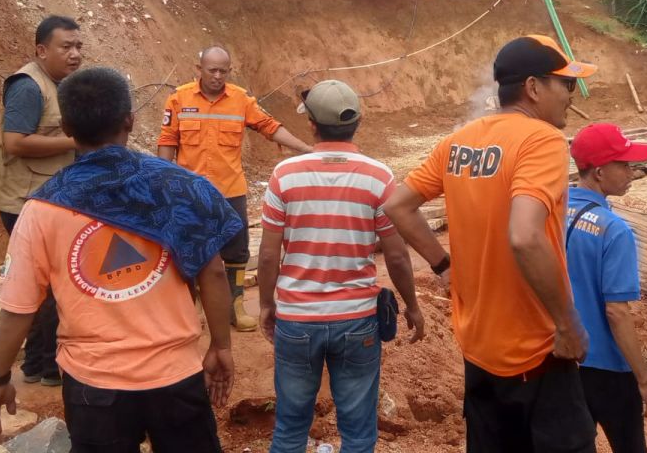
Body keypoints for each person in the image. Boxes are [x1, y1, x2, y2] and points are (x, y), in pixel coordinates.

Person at [0, 67, 242, 451]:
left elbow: (18, 308)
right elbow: (214, 272)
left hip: (93, 386)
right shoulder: (180, 186)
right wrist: (221, 346)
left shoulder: (41, 208)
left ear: (67, 128)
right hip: (175, 374)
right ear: (130, 120)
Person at [384, 35, 599, 453]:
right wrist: (567, 323)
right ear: (534, 88)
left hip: (479, 350)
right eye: (567, 85)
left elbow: (398, 205)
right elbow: (524, 236)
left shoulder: (459, 142)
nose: (572, 97)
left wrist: (444, 267)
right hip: (536, 353)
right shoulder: (543, 141)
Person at [257, 80, 424, 453]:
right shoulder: (378, 176)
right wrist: (411, 306)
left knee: (290, 427)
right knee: (358, 430)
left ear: (312, 125)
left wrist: (268, 304)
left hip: (297, 320)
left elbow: (268, 256)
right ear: (357, 122)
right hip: (357, 321)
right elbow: (396, 255)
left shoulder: (285, 175)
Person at [158, 46, 313, 331]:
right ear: (199, 69)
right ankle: (192, 305)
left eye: (223, 71)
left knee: (236, 250)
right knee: (187, 246)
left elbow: (269, 126)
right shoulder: (179, 99)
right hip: (190, 191)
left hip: (230, 190)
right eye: (211, 70)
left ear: (229, 72)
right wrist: (164, 183)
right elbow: (167, 141)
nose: (217, 76)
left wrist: (304, 148)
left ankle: (235, 305)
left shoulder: (241, 100)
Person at [0, 15, 82, 386]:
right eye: (66, 47)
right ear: (41, 50)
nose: (75, 54)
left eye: (79, 46)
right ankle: (47, 367)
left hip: (46, 199)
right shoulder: (29, 87)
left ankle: (34, 364)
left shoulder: (59, 84)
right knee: (47, 288)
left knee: (44, 285)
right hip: (25, 202)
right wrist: (77, 142)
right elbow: (15, 142)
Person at [566, 124, 647, 453]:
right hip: (606, 366)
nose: (631, 173)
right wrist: (645, 381)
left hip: (561, 361)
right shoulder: (615, 231)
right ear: (598, 171)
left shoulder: (551, 212)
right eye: (623, 165)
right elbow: (616, 312)